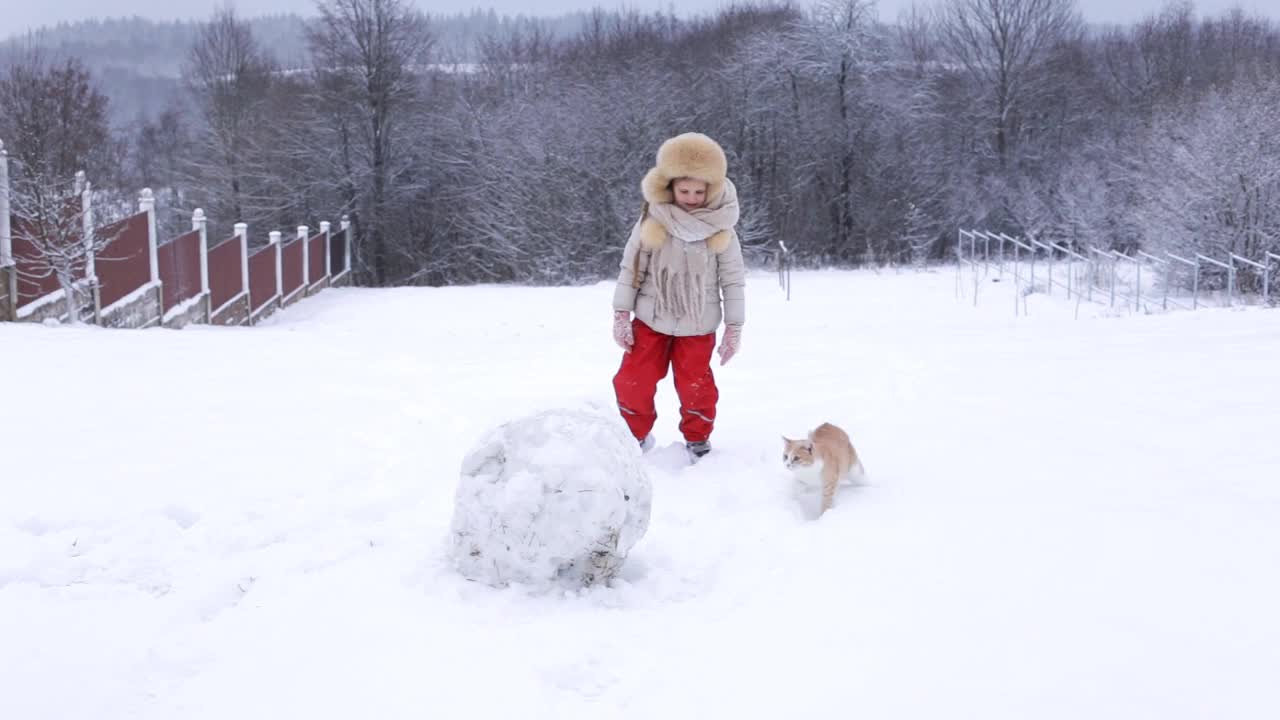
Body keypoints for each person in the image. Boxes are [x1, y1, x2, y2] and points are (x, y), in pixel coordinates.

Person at [611, 132, 746, 460]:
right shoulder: (651, 221)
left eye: (699, 191)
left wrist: (734, 327)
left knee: (696, 387)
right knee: (633, 381)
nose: (691, 197)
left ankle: (698, 439)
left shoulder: (722, 230)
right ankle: (635, 437)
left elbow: (733, 280)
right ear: (669, 186)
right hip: (650, 319)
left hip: (698, 325)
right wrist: (621, 314)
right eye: (684, 190)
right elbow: (631, 268)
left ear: (710, 189)